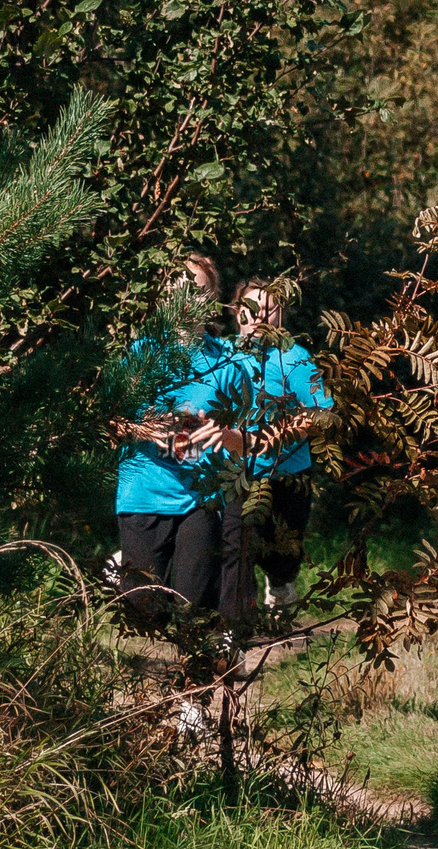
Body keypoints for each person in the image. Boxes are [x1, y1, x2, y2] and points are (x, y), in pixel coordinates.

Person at [111, 254, 246, 620]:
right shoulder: (142, 354)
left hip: (199, 497)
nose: (188, 301)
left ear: (212, 298)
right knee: (144, 611)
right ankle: (117, 572)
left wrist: (224, 434)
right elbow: (109, 423)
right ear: (164, 299)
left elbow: (252, 439)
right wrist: (146, 428)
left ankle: (196, 675)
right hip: (142, 492)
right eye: (179, 292)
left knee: (192, 607)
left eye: (198, 291)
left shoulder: (228, 362)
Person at [233, 280, 334, 610]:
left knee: (283, 554)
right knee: (239, 545)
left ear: (282, 316)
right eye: (252, 307)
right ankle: (239, 614)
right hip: (237, 473)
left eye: (270, 308)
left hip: (288, 473)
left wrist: (273, 438)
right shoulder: (224, 355)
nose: (260, 314)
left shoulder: (295, 357)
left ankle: (280, 587)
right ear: (237, 314)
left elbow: (322, 412)